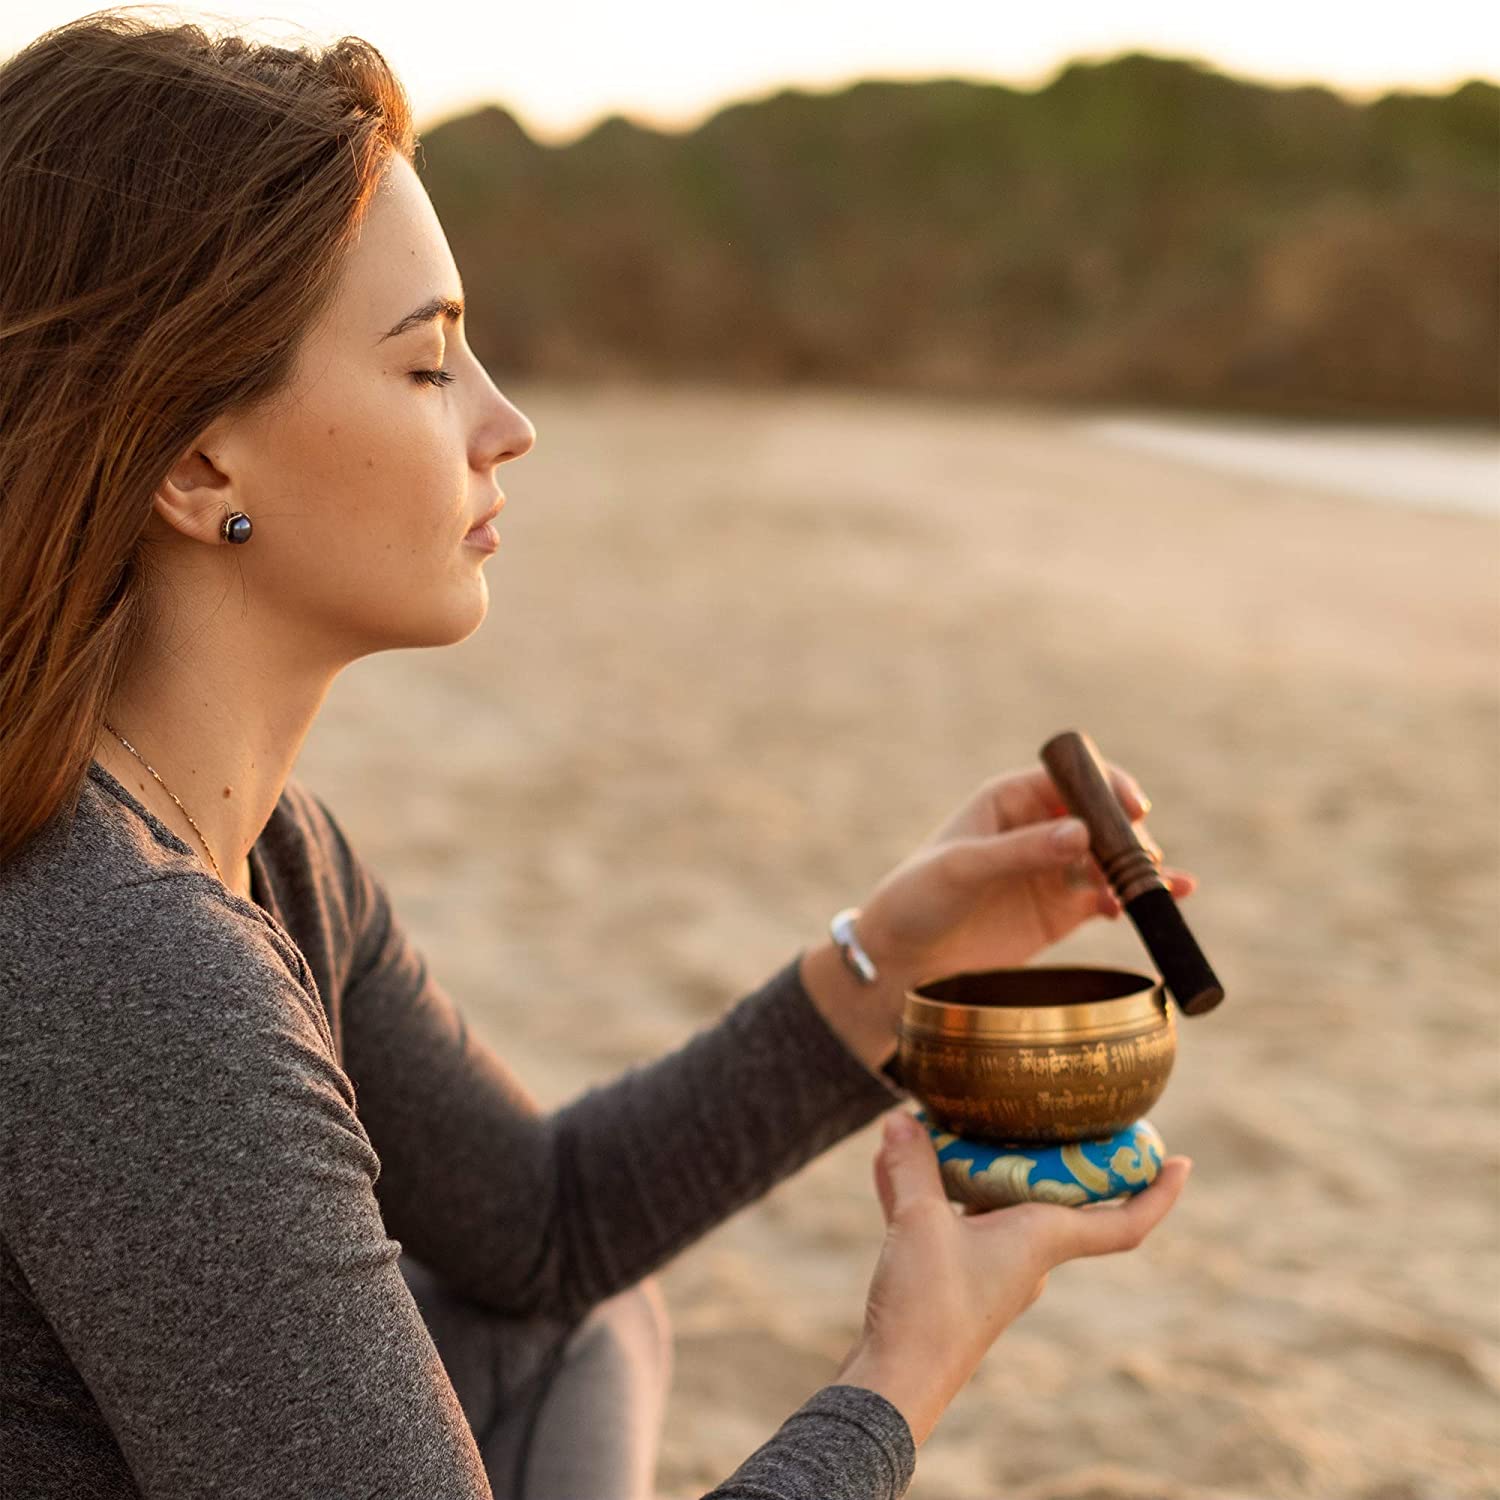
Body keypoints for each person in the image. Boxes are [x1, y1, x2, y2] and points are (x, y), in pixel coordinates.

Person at [0, 12, 1194, 1499]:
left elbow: (541, 1227)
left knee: (573, 1324)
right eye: (429, 363)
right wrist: (904, 1368)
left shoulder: (266, 856)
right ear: (195, 462)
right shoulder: (120, 961)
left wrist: (889, 961)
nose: (510, 423)